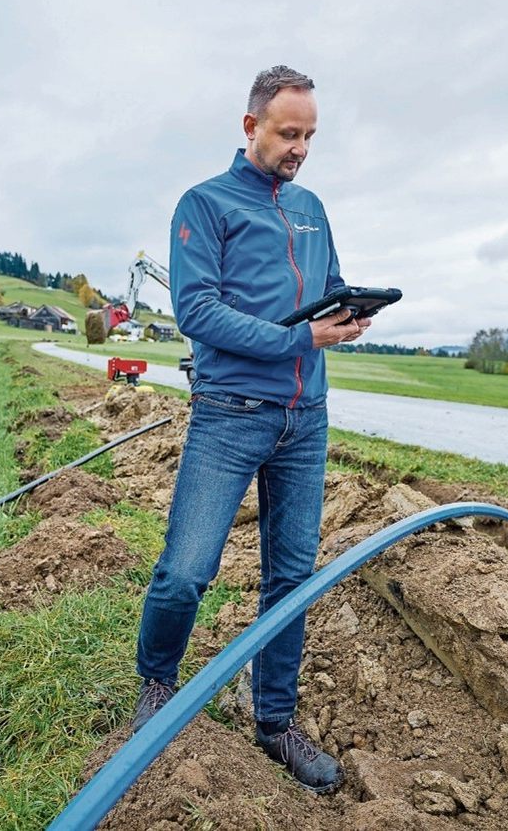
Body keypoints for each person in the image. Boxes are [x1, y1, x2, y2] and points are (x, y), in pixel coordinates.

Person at [131, 65, 370, 794]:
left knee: (291, 579)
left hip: (306, 418)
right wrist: (302, 339)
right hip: (230, 412)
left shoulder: (311, 207)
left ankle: (274, 723)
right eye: (289, 133)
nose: (300, 148)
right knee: (186, 570)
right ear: (250, 126)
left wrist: (348, 315)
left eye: (310, 136)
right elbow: (197, 312)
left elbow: (326, 287)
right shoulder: (204, 204)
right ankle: (156, 687)